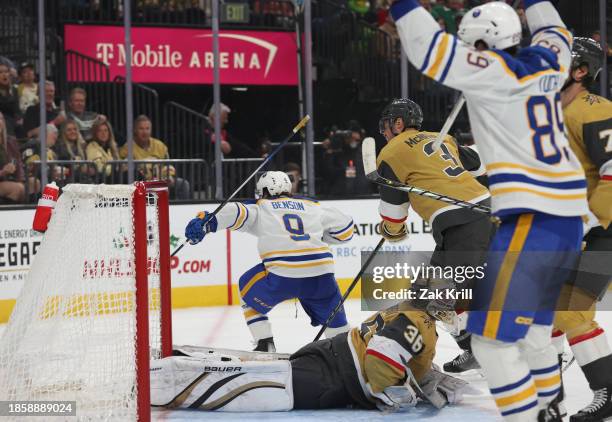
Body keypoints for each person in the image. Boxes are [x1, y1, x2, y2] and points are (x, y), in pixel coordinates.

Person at [389, 0, 588, 420]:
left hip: (533, 214)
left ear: (482, 43)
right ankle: (551, 407)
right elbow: (556, 29)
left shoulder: (488, 72)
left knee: (490, 343)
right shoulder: (550, 62)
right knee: (533, 329)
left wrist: (402, 4)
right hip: (569, 215)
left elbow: (427, 47)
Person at [150, 278, 469, 412]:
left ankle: (168, 370)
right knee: (252, 387)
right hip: (331, 377)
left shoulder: (406, 310)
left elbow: (390, 350)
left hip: (330, 360)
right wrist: (400, 394)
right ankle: (161, 380)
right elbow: (381, 356)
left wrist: (423, 375)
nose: (451, 304)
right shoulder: (420, 324)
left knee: (272, 374)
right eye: (447, 298)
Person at [376, 98, 493, 374]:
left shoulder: (390, 153)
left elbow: (394, 216)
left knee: (433, 294)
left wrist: (393, 232)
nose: (383, 133)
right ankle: (474, 348)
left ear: (398, 123)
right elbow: (480, 170)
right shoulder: (443, 139)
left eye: (385, 126)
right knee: (440, 292)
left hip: (463, 224)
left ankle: (486, 351)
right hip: (485, 212)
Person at [184, 171, 354, 352]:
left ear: (263, 190)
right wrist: (320, 237)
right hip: (322, 275)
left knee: (246, 290)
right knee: (336, 324)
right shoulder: (313, 206)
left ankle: (265, 343)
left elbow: (235, 212)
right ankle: (345, 352)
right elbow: (345, 230)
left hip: (283, 276)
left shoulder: (261, 207)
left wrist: (206, 222)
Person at [552, 37, 612, 422]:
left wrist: (594, 220)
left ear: (580, 71)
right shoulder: (547, 114)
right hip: (574, 231)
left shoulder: (595, 109)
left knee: (570, 312)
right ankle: (548, 388)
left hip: (604, 230)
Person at [0, 112, 25, 203]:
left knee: (34, 183)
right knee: (18, 189)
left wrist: (21, 179)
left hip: (11, 179)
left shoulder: (11, 141)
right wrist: (3, 172)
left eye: (1, 119)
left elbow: (18, 162)